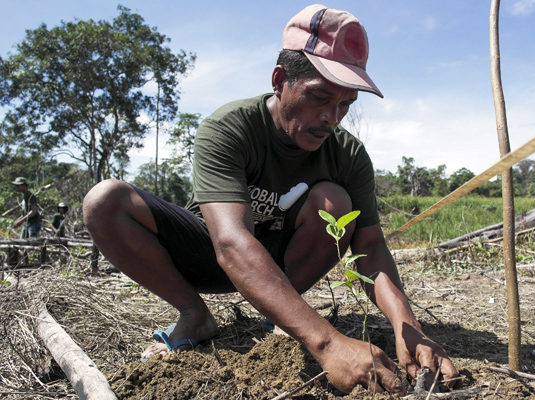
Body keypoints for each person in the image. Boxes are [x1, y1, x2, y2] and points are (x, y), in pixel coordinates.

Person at [83, 4, 458, 394]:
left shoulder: (347, 155)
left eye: (346, 104)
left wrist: (408, 327)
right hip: (213, 251)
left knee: (335, 201)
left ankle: (282, 320)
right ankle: (194, 313)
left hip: (283, 270)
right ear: (280, 79)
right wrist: (327, 343)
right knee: (105, 200)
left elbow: (369, 247)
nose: (333, 117)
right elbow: (230, 243)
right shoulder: (229, 128)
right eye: (320, 97)